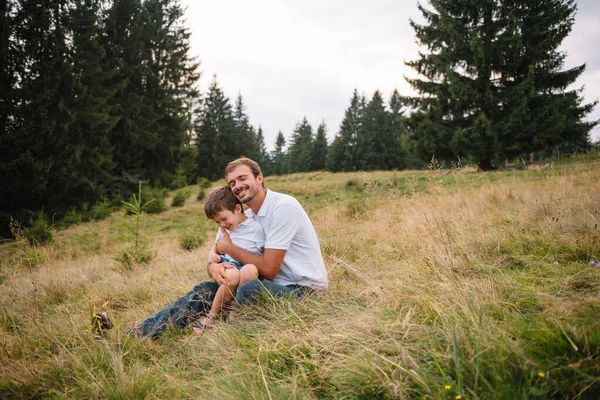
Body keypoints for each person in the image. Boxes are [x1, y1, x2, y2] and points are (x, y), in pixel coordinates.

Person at [129, 157, 327, 338]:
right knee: (207, 290)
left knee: (250, 290)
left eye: (242, 178)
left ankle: (230, 333)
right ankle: (140, 333)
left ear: (259, 178)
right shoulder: (247, 218)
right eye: (232, 183)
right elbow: (219, 254)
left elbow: (268, 269)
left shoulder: (283, 207)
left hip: (303, 291)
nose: (237, 186)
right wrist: (213, 267)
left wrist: (229, 249)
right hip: (270, 283)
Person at [192, 185, 264, 335]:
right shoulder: (224, 229)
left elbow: (264, 255)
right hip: (229, 265)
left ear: (238, 209)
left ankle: (235, 310)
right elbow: (217, 245)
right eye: (217, 222)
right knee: (232, 275)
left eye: (224, 219)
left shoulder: (257, 228)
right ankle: (213, 314)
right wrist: (212, 253)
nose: (222, 225)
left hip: (248, 266)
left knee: (250, 270)